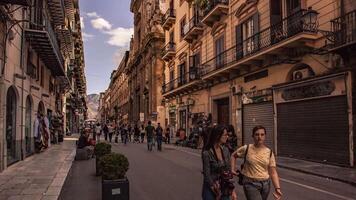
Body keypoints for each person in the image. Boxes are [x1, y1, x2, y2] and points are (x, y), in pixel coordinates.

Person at [231, 125, 282, 200]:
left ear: (265, 136)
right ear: (253, 136)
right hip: (250, 183)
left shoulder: (269, 152)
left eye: (262, 134)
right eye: (257, 134)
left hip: (265, 185)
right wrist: (232, 169)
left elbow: (273, 172)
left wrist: (277, 188)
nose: (259, 137)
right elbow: (233, 156)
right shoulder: (247, 148)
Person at [202, 126, 237, 200]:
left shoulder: (226, 150)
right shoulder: (207, 153)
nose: (227, 137)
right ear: (218, 136)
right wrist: (216, 191)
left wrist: (233, 191)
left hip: (224, 185)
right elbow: (207, 175)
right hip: (211, 186)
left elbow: (228, 172)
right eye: (225, 135)